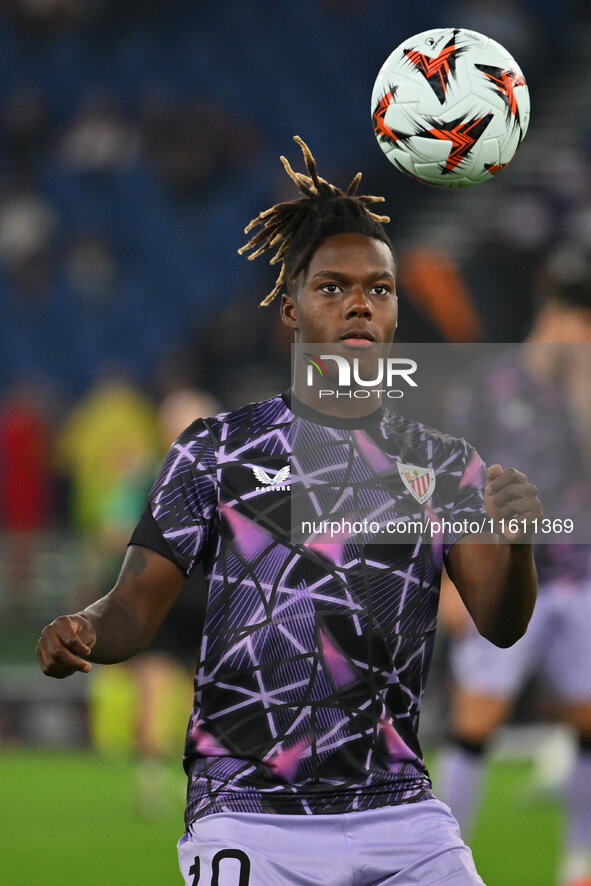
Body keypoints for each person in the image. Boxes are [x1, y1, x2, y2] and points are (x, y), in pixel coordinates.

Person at [37, 137, 542, 886]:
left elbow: (500, 623)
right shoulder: (215, 450)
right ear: (290, 309)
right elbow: (135, 610)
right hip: (247, 810)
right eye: (332, 287)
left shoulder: (441, 464)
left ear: (397, 309)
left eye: (378, 288)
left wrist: (519, 546)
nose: (358, 304)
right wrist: (84, 626)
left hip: (400, 810)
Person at [437, 250, 591, 886]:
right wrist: (452, 574)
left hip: (581, 578)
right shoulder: (488, 387)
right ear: (551, 316)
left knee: (586, 716)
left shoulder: (584, 388)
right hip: (504, 575)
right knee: (478, 717)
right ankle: (441, 862)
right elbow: (453, 484)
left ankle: (580, 863)